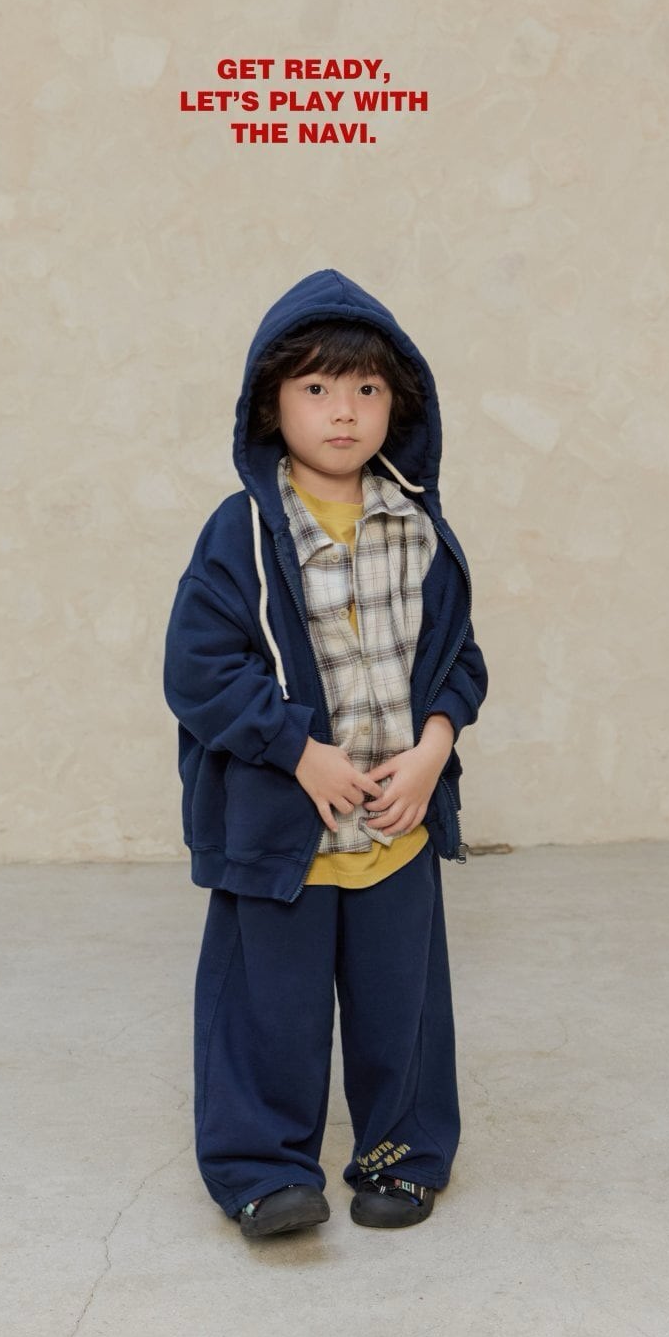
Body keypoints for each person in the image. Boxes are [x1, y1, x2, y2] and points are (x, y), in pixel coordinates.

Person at [163, 267, 488, 1240]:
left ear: (398, 403)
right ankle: (263, 1169)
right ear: (272, 404)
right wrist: (296, 751)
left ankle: (401, 1154)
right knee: (270, 1010)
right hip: (283, 837)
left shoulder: (418, 529)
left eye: (365, 388)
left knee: (402, 1008)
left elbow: (457, 661)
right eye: (315, 387)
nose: (342, 411)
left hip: (393, 824)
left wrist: (432, 751)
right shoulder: (240, 534)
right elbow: (199, 669)